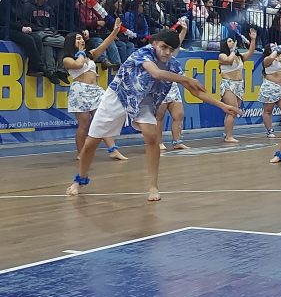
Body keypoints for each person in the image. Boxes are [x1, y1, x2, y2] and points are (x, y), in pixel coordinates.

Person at [66, 29, 239, 202]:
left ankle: (153, 186)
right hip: (119, 96)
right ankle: (80, 180)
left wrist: (222, 105)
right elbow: (156, 73)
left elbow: (196, 91)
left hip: (143, 101)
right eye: (164, 47)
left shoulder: (172, 64)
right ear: (154, 43)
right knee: (90, 144)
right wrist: (186, 79)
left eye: (171, 49)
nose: (167, 52)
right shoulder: (143, 53)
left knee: (152, 138)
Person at [63, 21, 128, 162]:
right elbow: (79, 64)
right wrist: (80, 52)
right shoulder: (67, 59)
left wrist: (115, 31)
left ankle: (113, 150)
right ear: (71, 42)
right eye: (78, 39)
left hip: (95, 90)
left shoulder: (89, 55)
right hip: (80, 91)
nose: (81, 40)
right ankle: (81, 153)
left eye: (82, 38)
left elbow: (104, 44)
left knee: (102, 120)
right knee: (84, 124)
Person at [155, 21, 191, 152]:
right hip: (159, 88)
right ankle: (158, 143)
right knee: (159, 117)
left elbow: (177, 44)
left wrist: (184, 31)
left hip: (172, 87)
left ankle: (177, 141)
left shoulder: (170, 54)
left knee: (179, 114)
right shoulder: (154, 54)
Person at [218, 27, 257, 143]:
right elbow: (229, 61)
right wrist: (233, 50)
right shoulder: (222, 56)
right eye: (229, 41)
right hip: (228, 84)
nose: (232, 42)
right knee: (233, 110)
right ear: (225, 44)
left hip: (239, 85)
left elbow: (251, 52)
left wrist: (253, 40)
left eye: (232, 41)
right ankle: (228, 136)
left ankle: (227, 133)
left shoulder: (239, 57)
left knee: (232, 112)